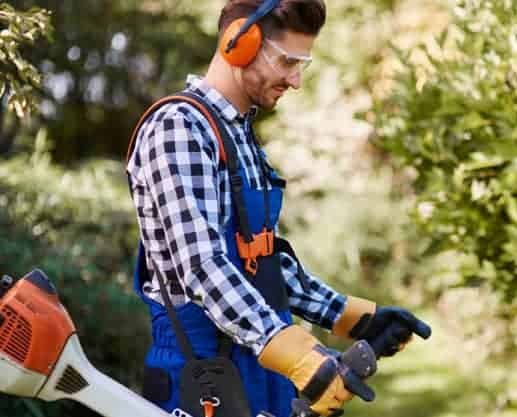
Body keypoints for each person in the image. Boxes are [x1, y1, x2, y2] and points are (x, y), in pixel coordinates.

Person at [125, 1, 430, 416]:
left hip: (258, 361)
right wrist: (292, 352)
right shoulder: (178, 127)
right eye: (287, 60)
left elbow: (258, 259)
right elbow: (200, 265)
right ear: (238, 42)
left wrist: (348, 316)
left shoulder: (240, 138)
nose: (297, 80)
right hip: (202, 374)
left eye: (303, 63)